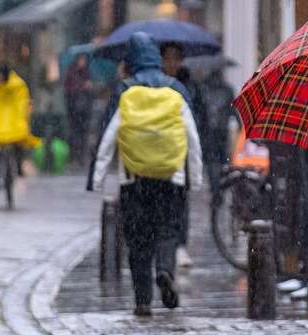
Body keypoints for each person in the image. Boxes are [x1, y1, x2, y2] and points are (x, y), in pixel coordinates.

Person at [91, 32, 202, 317]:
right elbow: (192, 136)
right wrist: (195, 177)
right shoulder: (176, 88)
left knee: (138, 238)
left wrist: (99, 178)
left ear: (131, 60)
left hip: (134, 177)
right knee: (168, 229)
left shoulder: (124, 90)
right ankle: (164, 270)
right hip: (171, 176)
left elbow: (108, 136)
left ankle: (142, 300)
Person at [160, 43, 208, 268]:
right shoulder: (154, 85)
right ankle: (163, 246)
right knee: (161, 198)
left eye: (175, 59)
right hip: (159, 152)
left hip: (182, 151)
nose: (171, 64)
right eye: (167, 59)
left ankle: (179, 245)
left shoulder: (190, 86)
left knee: (180, 199)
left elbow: (199, 120)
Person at [0, 63, 39, 190]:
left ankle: (18, 166)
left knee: (19, 140)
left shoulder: (17, 85)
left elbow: (21, 103)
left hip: (12, 121)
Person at [199, 68, 236, 200]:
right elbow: (234, 111)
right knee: (221, 160)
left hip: (208, 133)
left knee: (211, 161)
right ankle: (219, 187)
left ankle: (215, 188)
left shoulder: (204, 90)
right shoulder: (227, 90)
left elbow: (200, 114)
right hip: (221, 132)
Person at [64, 53, 94, 165]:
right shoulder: (72, 72)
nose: (83, 62)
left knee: (83, 133)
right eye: (81, 60)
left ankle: (81, 157)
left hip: (84, 109)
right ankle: (74, 157)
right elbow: (69, 89)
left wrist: (89, 87)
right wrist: (83, 86)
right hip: (74, 109)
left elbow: (91, 91)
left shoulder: (87, 72)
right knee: (75, 133)